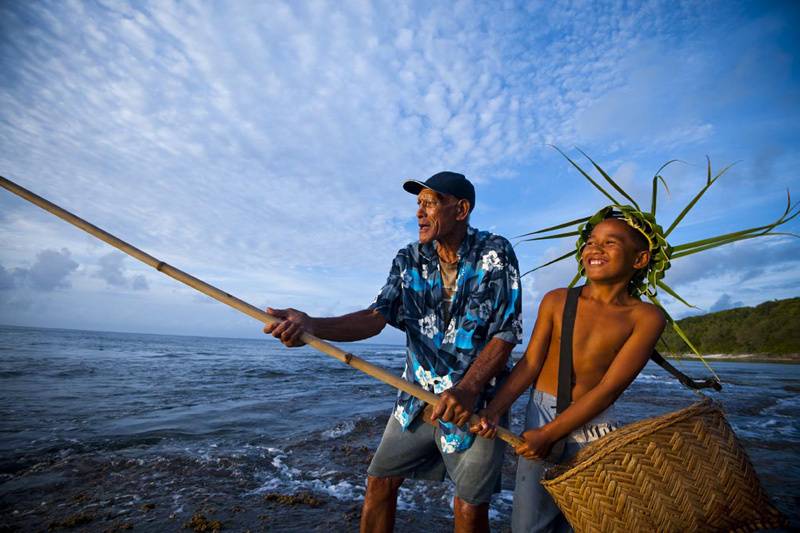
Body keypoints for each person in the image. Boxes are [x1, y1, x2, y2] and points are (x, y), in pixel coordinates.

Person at [263, 171, 523, 533]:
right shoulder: (408, 258)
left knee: (467, 505)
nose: (419, 212)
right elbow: (375, 317)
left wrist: (469, 387)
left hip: (475, 406)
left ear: (461, 209)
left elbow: (506, 332)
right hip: (415, 399)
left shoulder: (495, 252)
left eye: (430, 203)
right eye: (418, 204)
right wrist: (311, 326)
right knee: (380, 482)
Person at [470, 213, 666, 532]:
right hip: (543, 412)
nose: (595, 248)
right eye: (590, 242)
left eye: (610, 243)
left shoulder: (646, 317)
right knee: (529, 524)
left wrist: (550, 435)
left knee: (586, 518)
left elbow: (610, 389)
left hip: (596, 424)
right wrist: (494, 410)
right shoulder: (557, 300)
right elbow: (531, 364)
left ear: (640, 259)